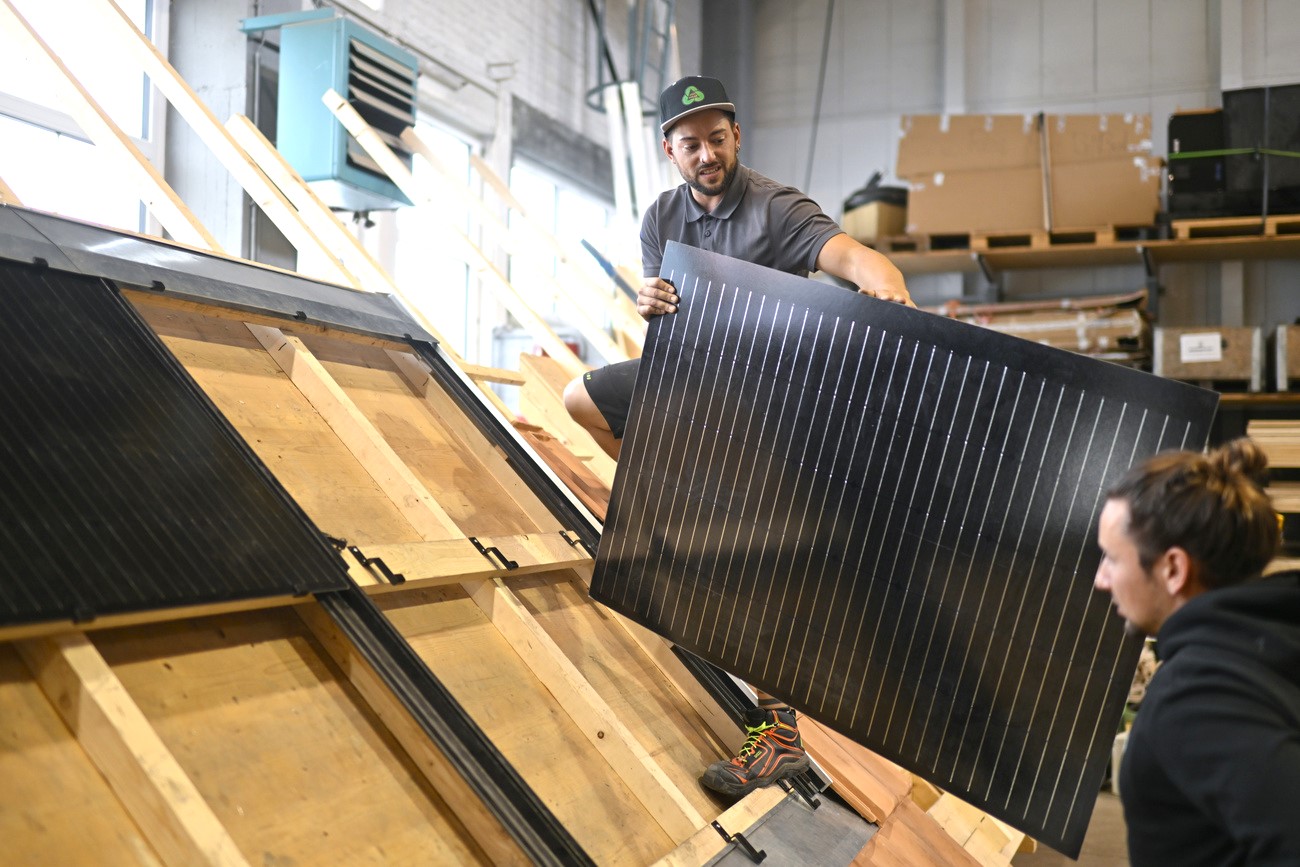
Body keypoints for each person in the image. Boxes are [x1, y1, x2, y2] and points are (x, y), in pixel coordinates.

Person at [563, 75, 913, 797]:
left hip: (772, 400)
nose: (706, 155)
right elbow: (666, 323)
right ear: (670, 150)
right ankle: (671, 492)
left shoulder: (776, 208)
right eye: (690, 144)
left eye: (716, 139)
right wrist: (652, 303)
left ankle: (777, 731)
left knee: (756, 560)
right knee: (578, 397)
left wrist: (887, 283)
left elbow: (848, 255)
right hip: (696, 383)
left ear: (736, 138)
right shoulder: (660, 217)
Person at [1093, 438, 1300, 866]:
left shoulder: (1195, 698)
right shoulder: (1273, 637)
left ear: (1173, 569)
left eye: (1112, 558)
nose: (1101, 579)